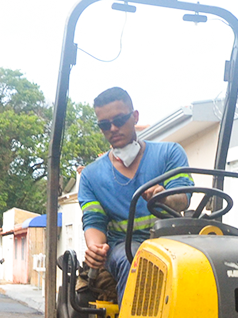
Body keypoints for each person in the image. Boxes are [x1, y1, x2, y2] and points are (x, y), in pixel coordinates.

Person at [77, 87, 192, 301]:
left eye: (119, 120)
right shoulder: (91, 176)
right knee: (136, 260)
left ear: (135, 116)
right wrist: (95, 249)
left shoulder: (169, 154)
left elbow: (183, 198)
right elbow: (94, 221)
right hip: (124, 248)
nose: (112, 128)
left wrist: (165, 198)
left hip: (172, 242)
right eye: (104, 124)